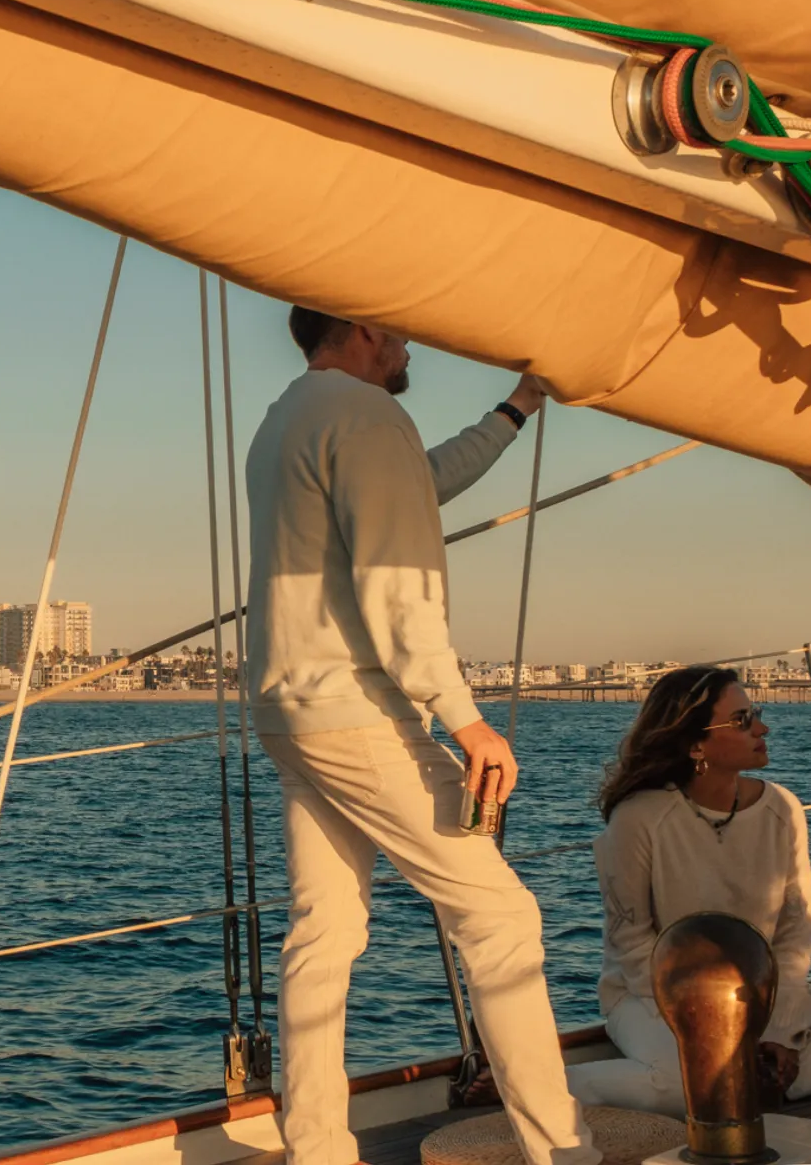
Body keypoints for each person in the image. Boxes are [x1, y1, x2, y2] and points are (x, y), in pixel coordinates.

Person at [245, 306, 597, 1165]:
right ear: (363, 329)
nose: (412, 347)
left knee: (323, 935)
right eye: (399, 332)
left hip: (289, 712)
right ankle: (564, 1152)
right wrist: (464, 717)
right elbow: (395, 586)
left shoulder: (288, 415)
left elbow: (422, 482)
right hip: (356, 710)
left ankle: (318, 1150)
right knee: (500, 917)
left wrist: (514, 411)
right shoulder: (368, 416)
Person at [566, 666, 811, 1114]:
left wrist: (781, 1030)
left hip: (758, 996)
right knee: (693, 1086)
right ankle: (551, 1086)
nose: (762, 727)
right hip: (649, 998)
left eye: (754, 713)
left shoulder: (783, 810)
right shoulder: (639, 819)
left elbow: (794, 935)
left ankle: (760, 1071)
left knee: (738, 1075)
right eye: (742, 720)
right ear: (696, 744)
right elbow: (631, 946)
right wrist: (717, 1026)